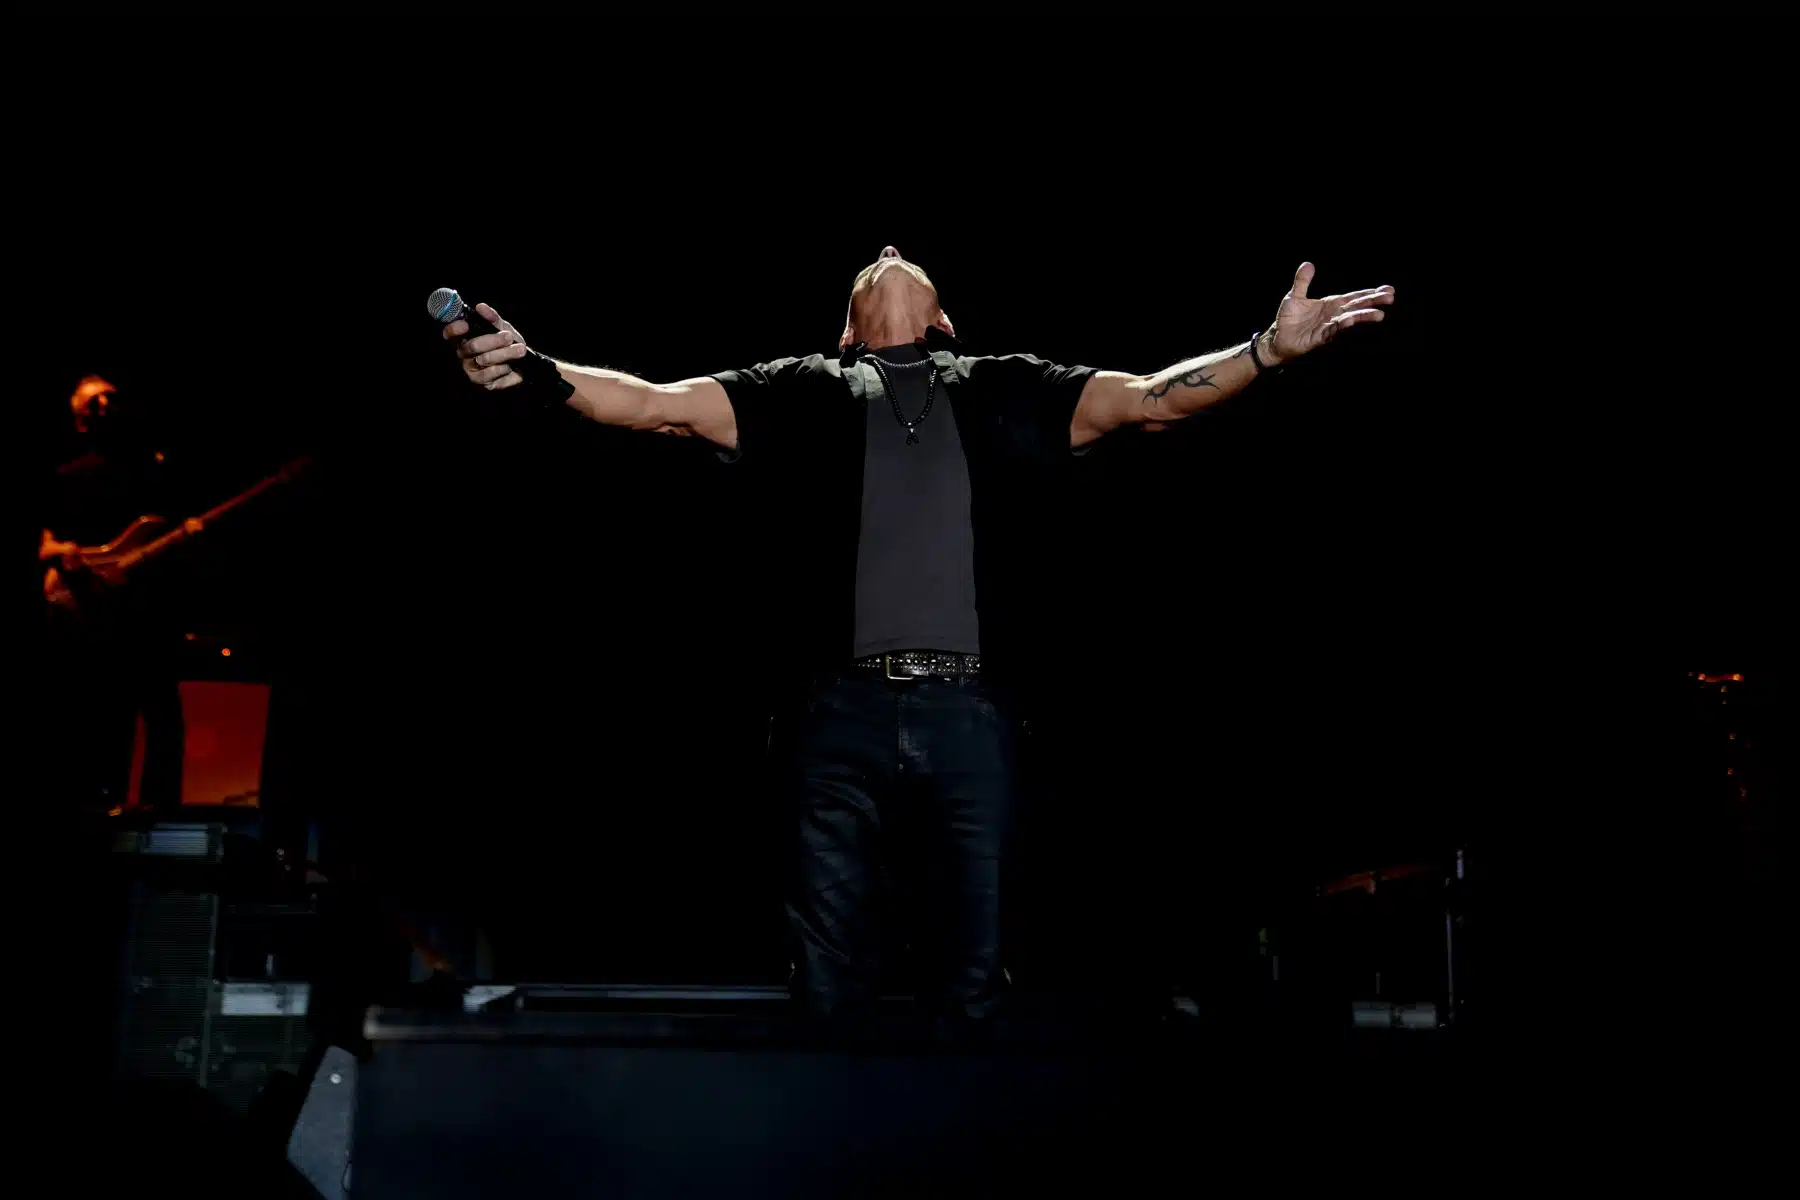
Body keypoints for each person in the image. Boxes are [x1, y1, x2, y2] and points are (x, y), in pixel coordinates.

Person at [443, 247, 1394, 1020]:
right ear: (847, 331)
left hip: (971, 716)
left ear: (944, 321)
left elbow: (1155, 397)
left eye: (907, 258)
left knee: (970, 978)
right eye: (872, 262)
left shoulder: (1007, 387)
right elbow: (649, 403)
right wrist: (536, 370)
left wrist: (1267, 351)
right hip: (835, 719)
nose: (890, 247)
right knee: (828, 983)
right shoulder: (801, 388)